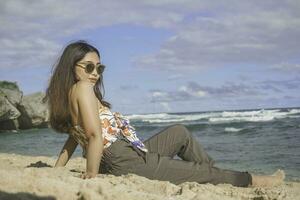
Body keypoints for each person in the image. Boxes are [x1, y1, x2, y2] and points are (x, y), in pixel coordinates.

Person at [44, 40, 285, 187]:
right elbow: (94, 136)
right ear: (72, 66)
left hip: (129, 153)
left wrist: (58, 168)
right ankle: (253, 180)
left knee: (179, 133)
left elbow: (75, 136)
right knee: (201, 172)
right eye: (88, 67)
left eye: (99, 67)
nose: (95, 73)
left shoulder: (73, 93)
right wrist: (91, 175)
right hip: (123, 160)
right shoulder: (84, 88)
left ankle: (212, 174)